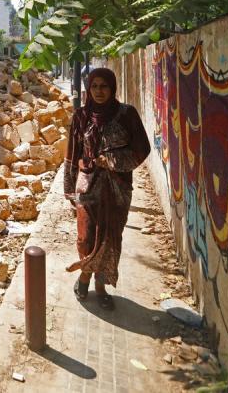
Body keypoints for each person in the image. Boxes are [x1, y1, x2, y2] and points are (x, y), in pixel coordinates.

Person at [63, 68, 150, 310]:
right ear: (88, 89)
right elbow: (71, 153)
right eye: (95, 87)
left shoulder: (126, 115)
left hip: (117, 188)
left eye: (104, 87)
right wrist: (69, 187)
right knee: (86, 237)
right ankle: (83, 276)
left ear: (112, 88)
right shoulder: (81, 116)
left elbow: (142, 149)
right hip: (87, 184)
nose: (99, 92)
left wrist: (111, 161)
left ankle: (99, 286)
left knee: (111, 237)